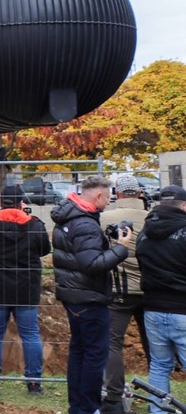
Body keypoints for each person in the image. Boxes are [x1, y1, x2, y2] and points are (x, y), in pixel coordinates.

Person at [52, 175, 134, 414]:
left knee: (79, 351)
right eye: (108, 197)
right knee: (94, 355)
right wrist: (121, 248)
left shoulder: (68, 217)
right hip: (89, 298)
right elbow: (92, 264)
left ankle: (77, 406)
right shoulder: (85, 224)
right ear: (98, 195)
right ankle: (88, 407)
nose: (108, 202)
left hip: (73, 296)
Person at [0, 184, 51, 396]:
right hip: (25, 288)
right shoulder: (35, 226)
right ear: (21, 203)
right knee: (30, 335)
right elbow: (45, 249)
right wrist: (25, 214)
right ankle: (34, 383)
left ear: (0, 201)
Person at [100, 174, 151, 414]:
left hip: (118, 291)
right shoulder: (153, 217)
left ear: (117, 194)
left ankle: (113, 398)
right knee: (157, 348)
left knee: (112, 343)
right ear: (139, 194)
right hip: (152, 290)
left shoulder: (105, 218)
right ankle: (160, 396)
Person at [136, 184, 186, 414]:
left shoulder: (144, 232)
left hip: (153, 308)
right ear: (184, 206)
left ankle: (158, 411)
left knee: (159, 365)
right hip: (182, 309)